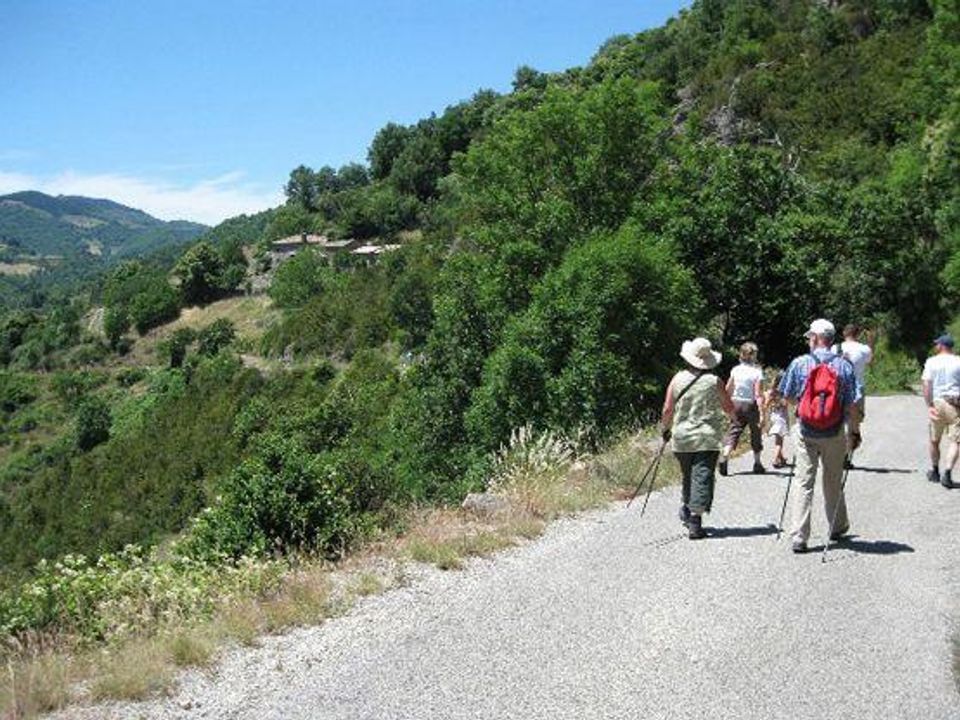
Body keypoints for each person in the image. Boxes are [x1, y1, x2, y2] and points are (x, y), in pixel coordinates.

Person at [779, 319, 858, 554]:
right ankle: (837, 526)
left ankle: (799, 536)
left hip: (806, 431)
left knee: (804, 481)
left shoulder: (799, 363)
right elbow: (851, 404)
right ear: (831, 340)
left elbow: (787, 397)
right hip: (834, 432)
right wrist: (854, 430)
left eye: (809, 337)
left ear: (814, 338)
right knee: (832, 479)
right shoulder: (844, 366)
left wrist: (803, 406)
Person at [661, 337, 735, 540]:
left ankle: (687, 507)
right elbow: (728, 407)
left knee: (688, 474)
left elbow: (668, 409)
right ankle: (695, 518)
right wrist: (735, 420)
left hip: (682, 437)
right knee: (702, 475)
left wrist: (665, 429)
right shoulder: (714, 381)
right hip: (707, 437)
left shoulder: (677, 379)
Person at [921, 333, 960, 489]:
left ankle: (935, 471)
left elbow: (926, 385)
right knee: (956, 441)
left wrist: (929, 405)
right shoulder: (958, 361)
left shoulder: (931, 362)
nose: (935, 346)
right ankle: (948, 472)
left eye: (937, 344)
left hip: (937, 403)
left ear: (942, 345)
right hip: (955, 404)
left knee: (934, 440)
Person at [719, 341, 765, 476]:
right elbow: (758, 394)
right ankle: (757, 463)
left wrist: (726, 405)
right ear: (754, 355)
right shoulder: (757, 372)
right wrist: (762, 412)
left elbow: (728, 388)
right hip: (750, 404)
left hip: (736, 403)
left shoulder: (735, 370)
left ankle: (725, 455)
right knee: (755, 432)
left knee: (734, 430)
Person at [833, 324, 873, 468]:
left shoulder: (835, 348)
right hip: (857, 389)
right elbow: (870, 361)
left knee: (838, 422)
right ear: (858, 334)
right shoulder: (864, 349)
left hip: (838, 389)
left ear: (844, 334)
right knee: (853, 424)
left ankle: (836, 453)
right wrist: (870, 342)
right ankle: (847, 456)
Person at [764, 372, 789, 469]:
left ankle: (782, 458)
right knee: (779, 442)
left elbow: (766, 405)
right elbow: (786, 404)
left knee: (778, 438)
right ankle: (775, 459)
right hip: (781, 417)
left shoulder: (772, 392)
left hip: (773, 416)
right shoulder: (784, 392)